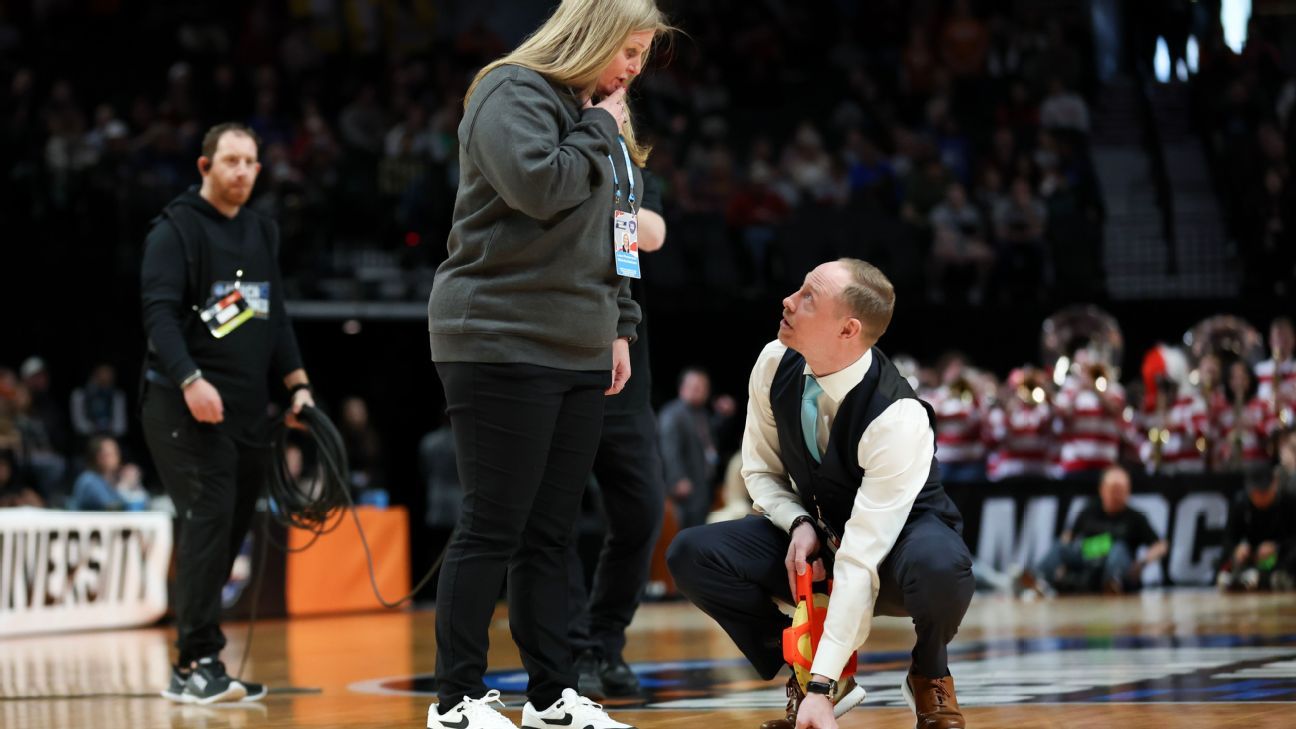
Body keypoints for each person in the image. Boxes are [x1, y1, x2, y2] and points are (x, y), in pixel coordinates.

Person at [424, 3, 670, 728]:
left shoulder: (599, 115)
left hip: (581, 340)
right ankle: (456, 700)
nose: (634, 70)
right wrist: (599, 128)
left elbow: (619, 231)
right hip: (499, 333)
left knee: (552, 532)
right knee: (492, 524)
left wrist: (620, 325)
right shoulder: (512, 90)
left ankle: (552, 696)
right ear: (592, 35)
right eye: (628, 51)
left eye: (642, 56)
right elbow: (540, 188)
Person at [668, 259, 975, 729]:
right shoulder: (773, 362)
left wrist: (821, 687)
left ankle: (929, 671)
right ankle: (802, 661)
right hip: (818, 533)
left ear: (848, 329)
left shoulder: (898, 416)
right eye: (799, 289)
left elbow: (861, 557)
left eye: (809, 297)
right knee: (692, 553)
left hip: (896, 548)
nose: (788, 301)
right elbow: (760, 472)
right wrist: (798, 522)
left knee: (942, 568)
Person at [140, 121, 315, 704]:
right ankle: (198, 661)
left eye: (250, 163)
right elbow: (159, 318)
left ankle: (192, 663)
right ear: (205, 166)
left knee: (230, 529)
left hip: (246, 410)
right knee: (209, 516)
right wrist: (190, 380)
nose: (241, 171)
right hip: (180, 404)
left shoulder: (261, 230)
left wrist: (298, 385)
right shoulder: (175, 230)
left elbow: (276, 317)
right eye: (231, 160)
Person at [568, 171, 667, 700]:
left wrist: (607, 204)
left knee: (643, 512)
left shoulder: (629, 173)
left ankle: (605, 639)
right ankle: (573, 648)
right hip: (559, 366)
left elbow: (653, 234)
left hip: (626, 380)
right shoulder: (550, 163)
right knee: (551, 520)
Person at [1025, 466, 1168, 595]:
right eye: (1113, 489)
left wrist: (1142, 563)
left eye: (1121, 490)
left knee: (1118, 547)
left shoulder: (1135, 517)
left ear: (1128, 491)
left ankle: (1113, 584)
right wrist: (1065, 555)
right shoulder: (1088, 511)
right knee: (1060, 547)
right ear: (1103, 489)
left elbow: (1161, 545)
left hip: (1118, 561)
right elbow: (1069, 536)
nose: (1117, 494)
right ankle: (1037, 580)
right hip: (1088, 555)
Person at [658, 367, 721, 528]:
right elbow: (669, 450)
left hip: (702, 482)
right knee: (686, 527)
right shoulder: (672, 414)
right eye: (695, 387)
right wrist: (677, 479)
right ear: (683, 388)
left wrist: (723, 417)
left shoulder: (702, 413)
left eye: (704, 387)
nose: (700, 391)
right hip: (685, 485)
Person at [1217, 466, 1296, 591]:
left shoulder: (1289, 502)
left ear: (1274, 484)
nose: (1260, 497)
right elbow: (1228, 538)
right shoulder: (1240, 504)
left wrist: (1276, 547)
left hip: (1281, 558)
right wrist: (1237, 549)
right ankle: (1242, 578)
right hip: (1253, 556)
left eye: (1264, 492)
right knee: (1224, 560)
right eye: (1255, 493)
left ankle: (1276, 578)